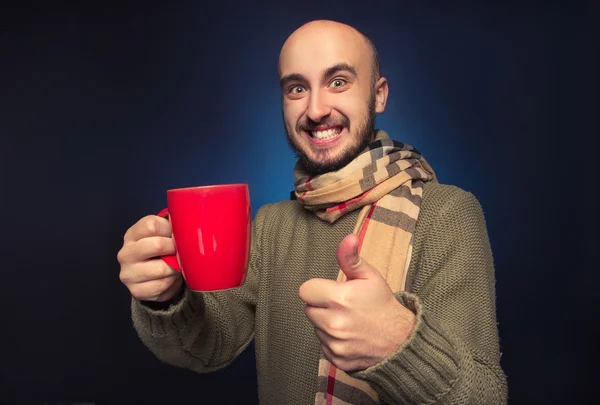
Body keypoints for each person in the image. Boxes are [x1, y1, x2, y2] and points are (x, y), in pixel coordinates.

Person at [117, 19, 508, 405]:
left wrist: (400, 342)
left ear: (379, 95)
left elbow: (485, 397)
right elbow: (206, 347)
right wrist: (164, 297)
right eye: (297, 88)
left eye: (338, 82)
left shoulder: (447, 214)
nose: (316, 109)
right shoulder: (271, 225)